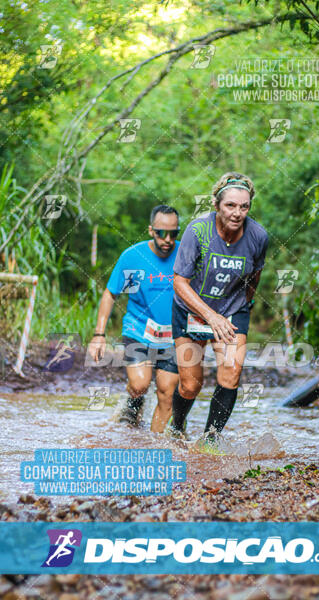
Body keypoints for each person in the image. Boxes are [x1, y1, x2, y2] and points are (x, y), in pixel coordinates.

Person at [169, 172, 269, 448]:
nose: (237, 213)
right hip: (192, 307)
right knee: (191, 385)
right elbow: (179, 281)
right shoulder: (197, 231)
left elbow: (254, 278)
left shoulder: (258, 236)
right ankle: (177, 428)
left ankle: (210, 439)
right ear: (216, 205)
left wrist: (238, 309)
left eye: (244, 206)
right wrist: (210, 316)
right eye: (230, 205)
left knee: (231, 371)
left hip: (231, 309)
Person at [88, 205, 180, 432]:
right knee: (140, 384)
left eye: (173, 233)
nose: (167, 239)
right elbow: (111, 293)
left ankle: (155, 445)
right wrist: (99, 334)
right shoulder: (133, 257)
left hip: (174, 335)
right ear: (151, 230)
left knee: (167, 394)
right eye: (161, 233)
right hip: (138, 329)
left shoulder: (185, 255)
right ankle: (132, 401)